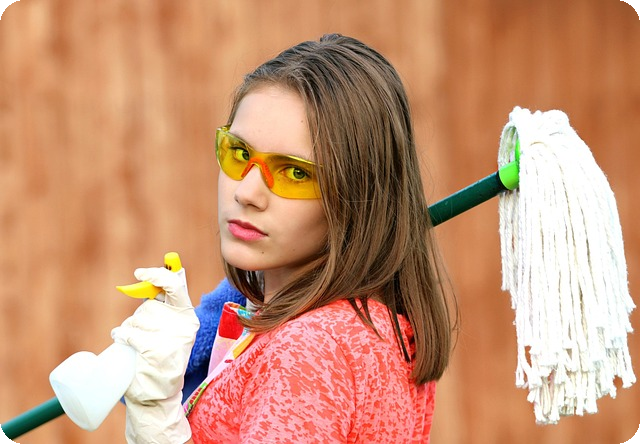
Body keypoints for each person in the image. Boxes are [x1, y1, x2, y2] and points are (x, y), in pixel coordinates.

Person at [111, 33, 456, 444]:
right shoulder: (371, 328)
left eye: (294, 172)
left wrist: (157, 426)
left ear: (358, 197)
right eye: (240, 154)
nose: (246, 192)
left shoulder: (310, 351)